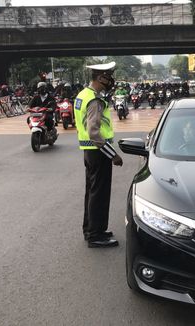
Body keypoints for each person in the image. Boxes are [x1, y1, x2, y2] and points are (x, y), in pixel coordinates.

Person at [75, 62, 123, 248]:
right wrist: (113, 155)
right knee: (99, 194)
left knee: (92, 192)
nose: (111, 79)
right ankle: (96, 235)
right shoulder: (94, 100)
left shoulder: (82, 95)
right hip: (98, 152)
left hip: (89, 152)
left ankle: (92, 229)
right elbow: (94, 132)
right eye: (109, 75)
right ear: (101, 77)